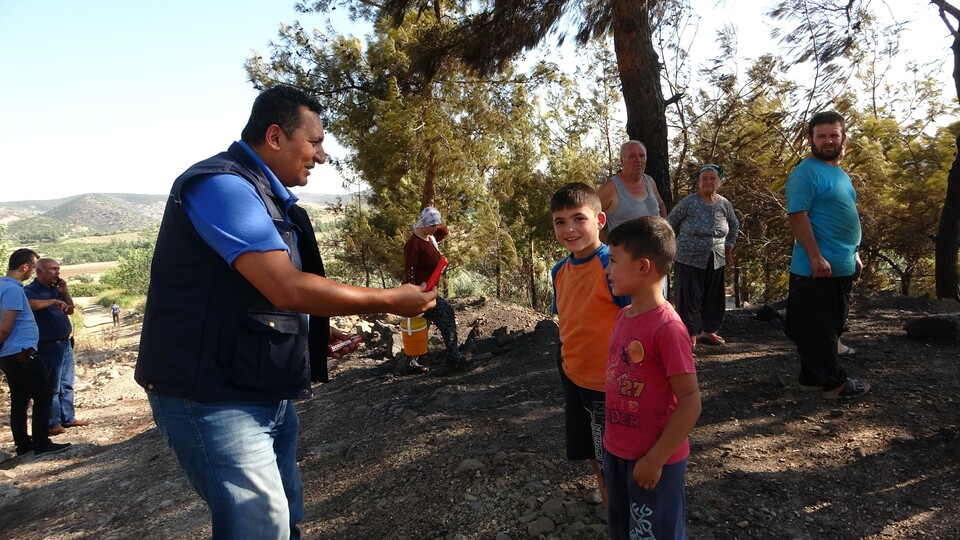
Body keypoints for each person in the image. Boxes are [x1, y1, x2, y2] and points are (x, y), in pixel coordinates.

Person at [134, 85, 436, 539]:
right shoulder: (223, 187)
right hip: (212, 396)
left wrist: (309, 330)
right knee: (259, 525)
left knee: (287, 517)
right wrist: (392, 300)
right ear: (275, 137)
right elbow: (285, 286)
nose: (321, 155)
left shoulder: (266, 196)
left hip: (257, 389)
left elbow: (252, 293)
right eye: (314, 142)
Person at [602, 216, 701, 539]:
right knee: (622, 528)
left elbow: (690, 401)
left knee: (656, 533)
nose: (608, 270)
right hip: (617, 452)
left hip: (654, 461)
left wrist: (655, 459)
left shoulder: (668, 328)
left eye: (614, 261)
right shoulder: (623, 316)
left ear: (643, 267)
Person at [550, 182, 631, 507]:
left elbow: (637, 319)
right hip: (574, 374)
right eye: (560, 221)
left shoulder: (612, 266)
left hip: (611, 383)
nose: (569, 229)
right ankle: (610, 499)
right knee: (593, 449)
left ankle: (623, 510)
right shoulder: (559, 270)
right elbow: (570, 320)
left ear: (599, 220)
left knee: (616, 449)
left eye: (578, 218)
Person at [785, 110, 870, 400]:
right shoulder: (805, 172)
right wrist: (815, 256)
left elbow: (845, 217)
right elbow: (798, 215)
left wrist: (855, 253)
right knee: (816, 327)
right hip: (815, 267)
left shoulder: (840, 175)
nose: (828, 140)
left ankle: (811, 377)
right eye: (821, 136)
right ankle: (835, 384)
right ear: (810, 139)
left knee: (829, 325)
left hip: (842, 264)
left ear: (843, 137)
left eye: (833, 134)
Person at [0, 248, 71, 457]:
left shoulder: (3, 286)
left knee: (20, 399)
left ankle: (23, 445)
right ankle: (41, 443)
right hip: (20, 352)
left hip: (9, 353)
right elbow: (5, 326)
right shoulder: (13, 290)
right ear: (25, 267)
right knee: (44, 393)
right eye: (33, 267)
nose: (32, 271)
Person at [667, 164, 740, 347]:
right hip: (688, 258)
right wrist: (675, 246)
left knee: (713, 297)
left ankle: (709, 332)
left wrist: (729, 245)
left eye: (712, 178)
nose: (708, 181)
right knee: (690, 297)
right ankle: (688, 335)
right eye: (704, 179)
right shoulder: (689, 202)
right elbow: (670, 223)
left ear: (719, 182)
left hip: (717, 257)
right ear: (698, 183)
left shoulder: (724, 204)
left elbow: (734, 224)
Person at [402, 206, 470, 373]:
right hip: (420, 293)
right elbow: (409, 271)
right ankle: (453, 357)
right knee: (446, 313)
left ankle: (411, 362)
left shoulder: (429, 238)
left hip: (429, 291)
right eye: (432, 225)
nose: (436, 229)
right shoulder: (414, 244)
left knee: (421, 325)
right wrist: (413, 297)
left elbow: (443, 232)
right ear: (424, 224)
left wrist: (436, 226)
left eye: (436, 225)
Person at [25, 258, 88, 435]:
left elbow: (70, 310)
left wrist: (64, 292)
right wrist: (52, 302)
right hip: (47, 345)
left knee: (67, 383)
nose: (57, 272)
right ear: (39, 272)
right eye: (52, 269)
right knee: (52, 385)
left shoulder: (55, 289)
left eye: (58, 269)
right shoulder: (30, 290)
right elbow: (29, 306)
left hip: (65, 343)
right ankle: (53, 423)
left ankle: (68, 418)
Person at [598, 140, 667, 243]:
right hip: (627, 256)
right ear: (621, 161)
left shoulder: (649, 181)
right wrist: (606, 246)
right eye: (632, 156)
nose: (638, 160)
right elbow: (592, 217)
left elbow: (660, 204)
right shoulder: (610, 188)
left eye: (642, 156)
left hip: (655, 250)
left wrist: (665, 231)